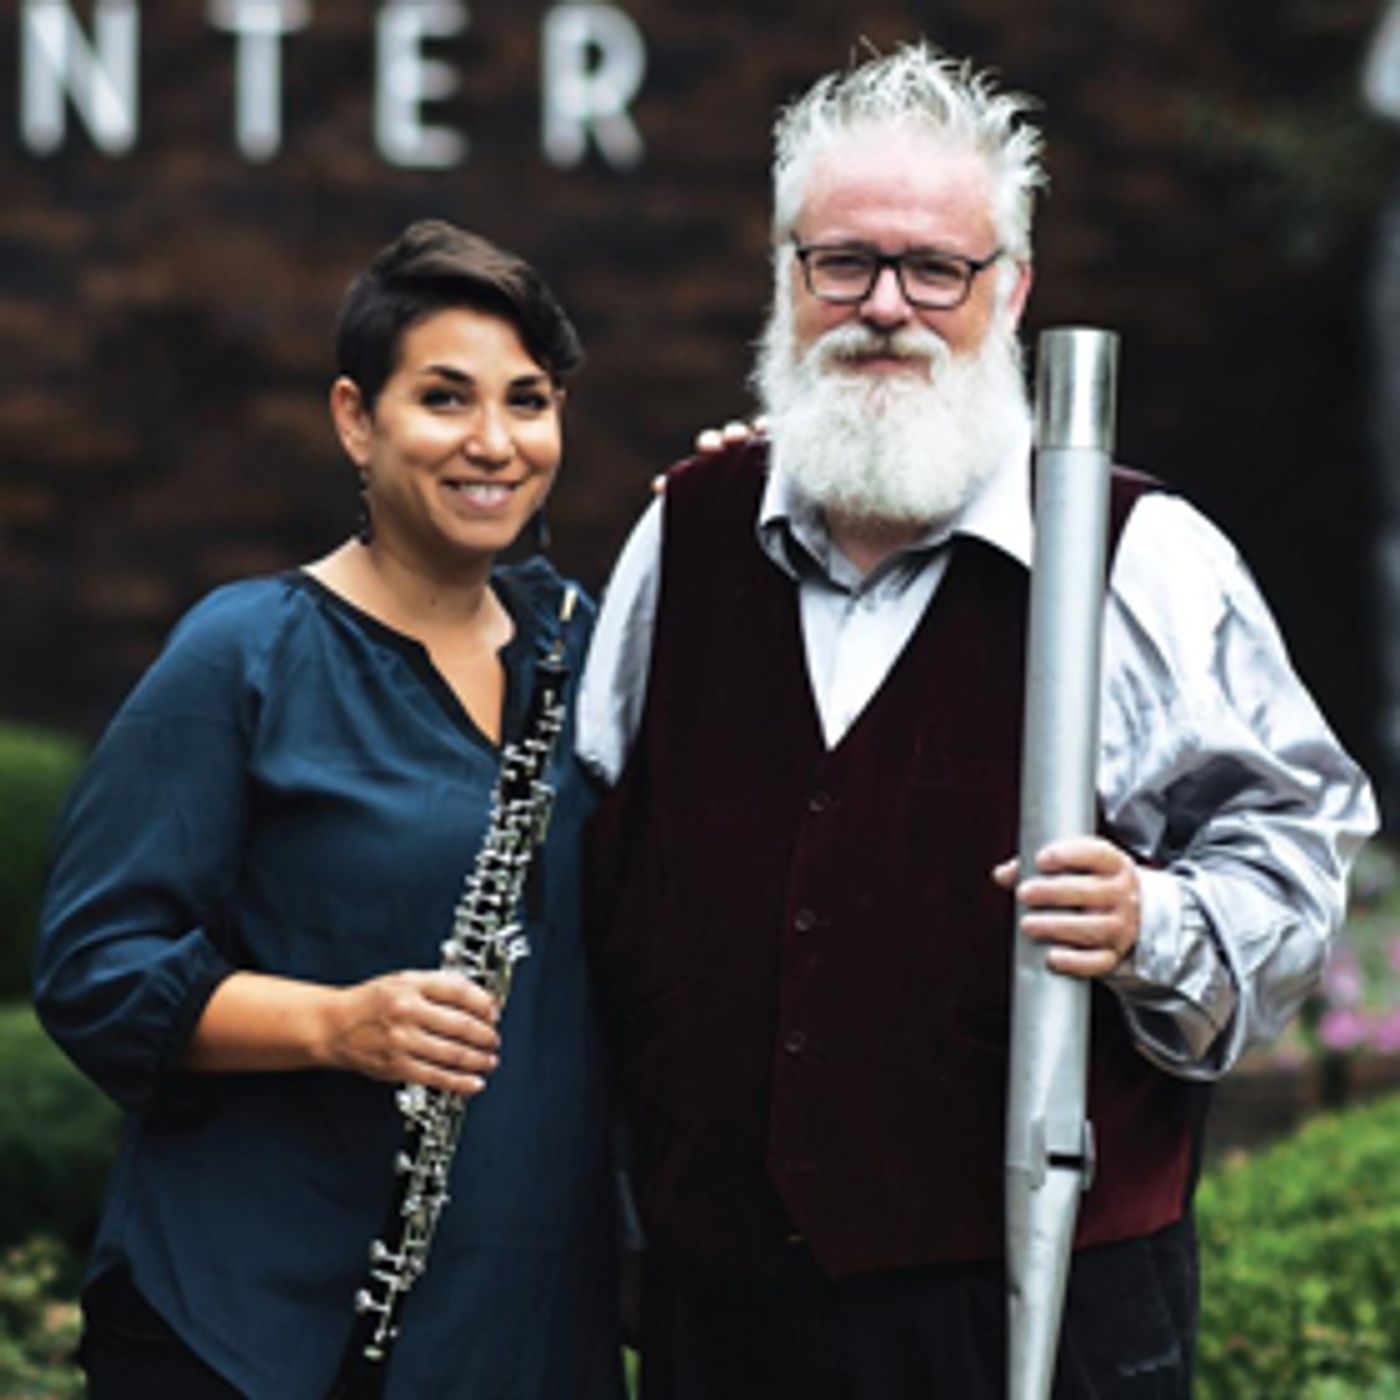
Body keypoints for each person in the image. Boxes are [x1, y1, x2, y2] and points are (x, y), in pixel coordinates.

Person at [577, 42, 1378, 1399]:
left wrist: (1153, 925)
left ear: (1010, 290)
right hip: (723, 1313)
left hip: (1040, 1303)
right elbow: (599, 866)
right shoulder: (684, 535)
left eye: (934, 268)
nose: (886, 306)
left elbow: (1299, 856)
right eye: (844, 262)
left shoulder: (1145, 555)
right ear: (786, 277)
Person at [34, 220, 626, 1399]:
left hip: (520, 1319)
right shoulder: (242, 652)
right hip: (259, 1318)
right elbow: (95, 967)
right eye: (445, 399)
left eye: (529, 400)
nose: (495, 443)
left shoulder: (591, 647)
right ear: (356, 417)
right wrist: (336, 1023)